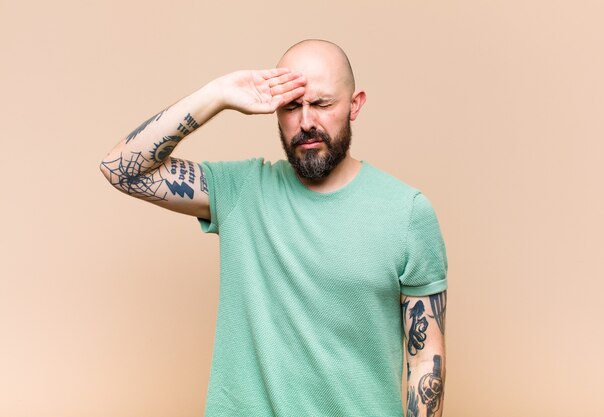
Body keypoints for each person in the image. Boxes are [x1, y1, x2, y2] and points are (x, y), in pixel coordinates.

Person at [100, 39, 448, 417]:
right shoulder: (242, 191)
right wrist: (217, 95)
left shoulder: (406, 212)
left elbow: (426, 356)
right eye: (291, 106)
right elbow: (122, 168)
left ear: (355, 105)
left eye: (322, 104)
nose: (306, 122)